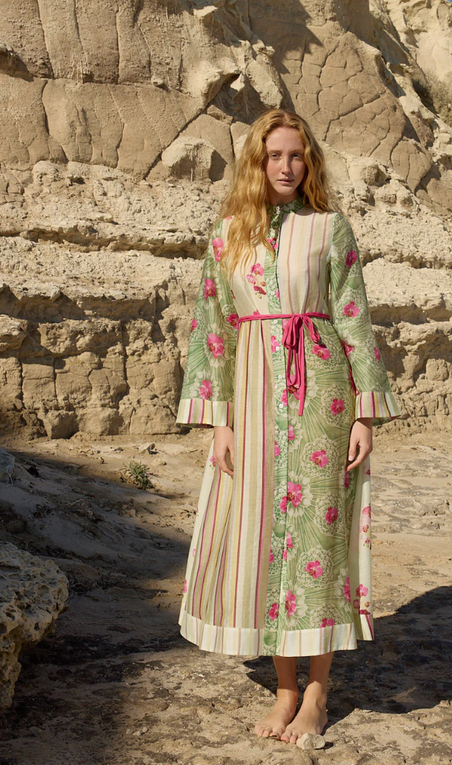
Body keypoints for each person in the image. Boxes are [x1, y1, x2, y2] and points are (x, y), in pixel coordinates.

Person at [175, 109, 401, 744]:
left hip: (323, 397)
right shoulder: (226, 237)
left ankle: (318, 696)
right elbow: (213, 334)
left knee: (315, 541)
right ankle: (284, 689)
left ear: (310, 162)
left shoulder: (331, 228)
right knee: (264, 536)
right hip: (251, 403)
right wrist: (218, 423)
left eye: (297, 155)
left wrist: (364, 412)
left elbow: (354, 318)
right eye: (274, 155)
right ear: (256, 161)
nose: (286, 166)